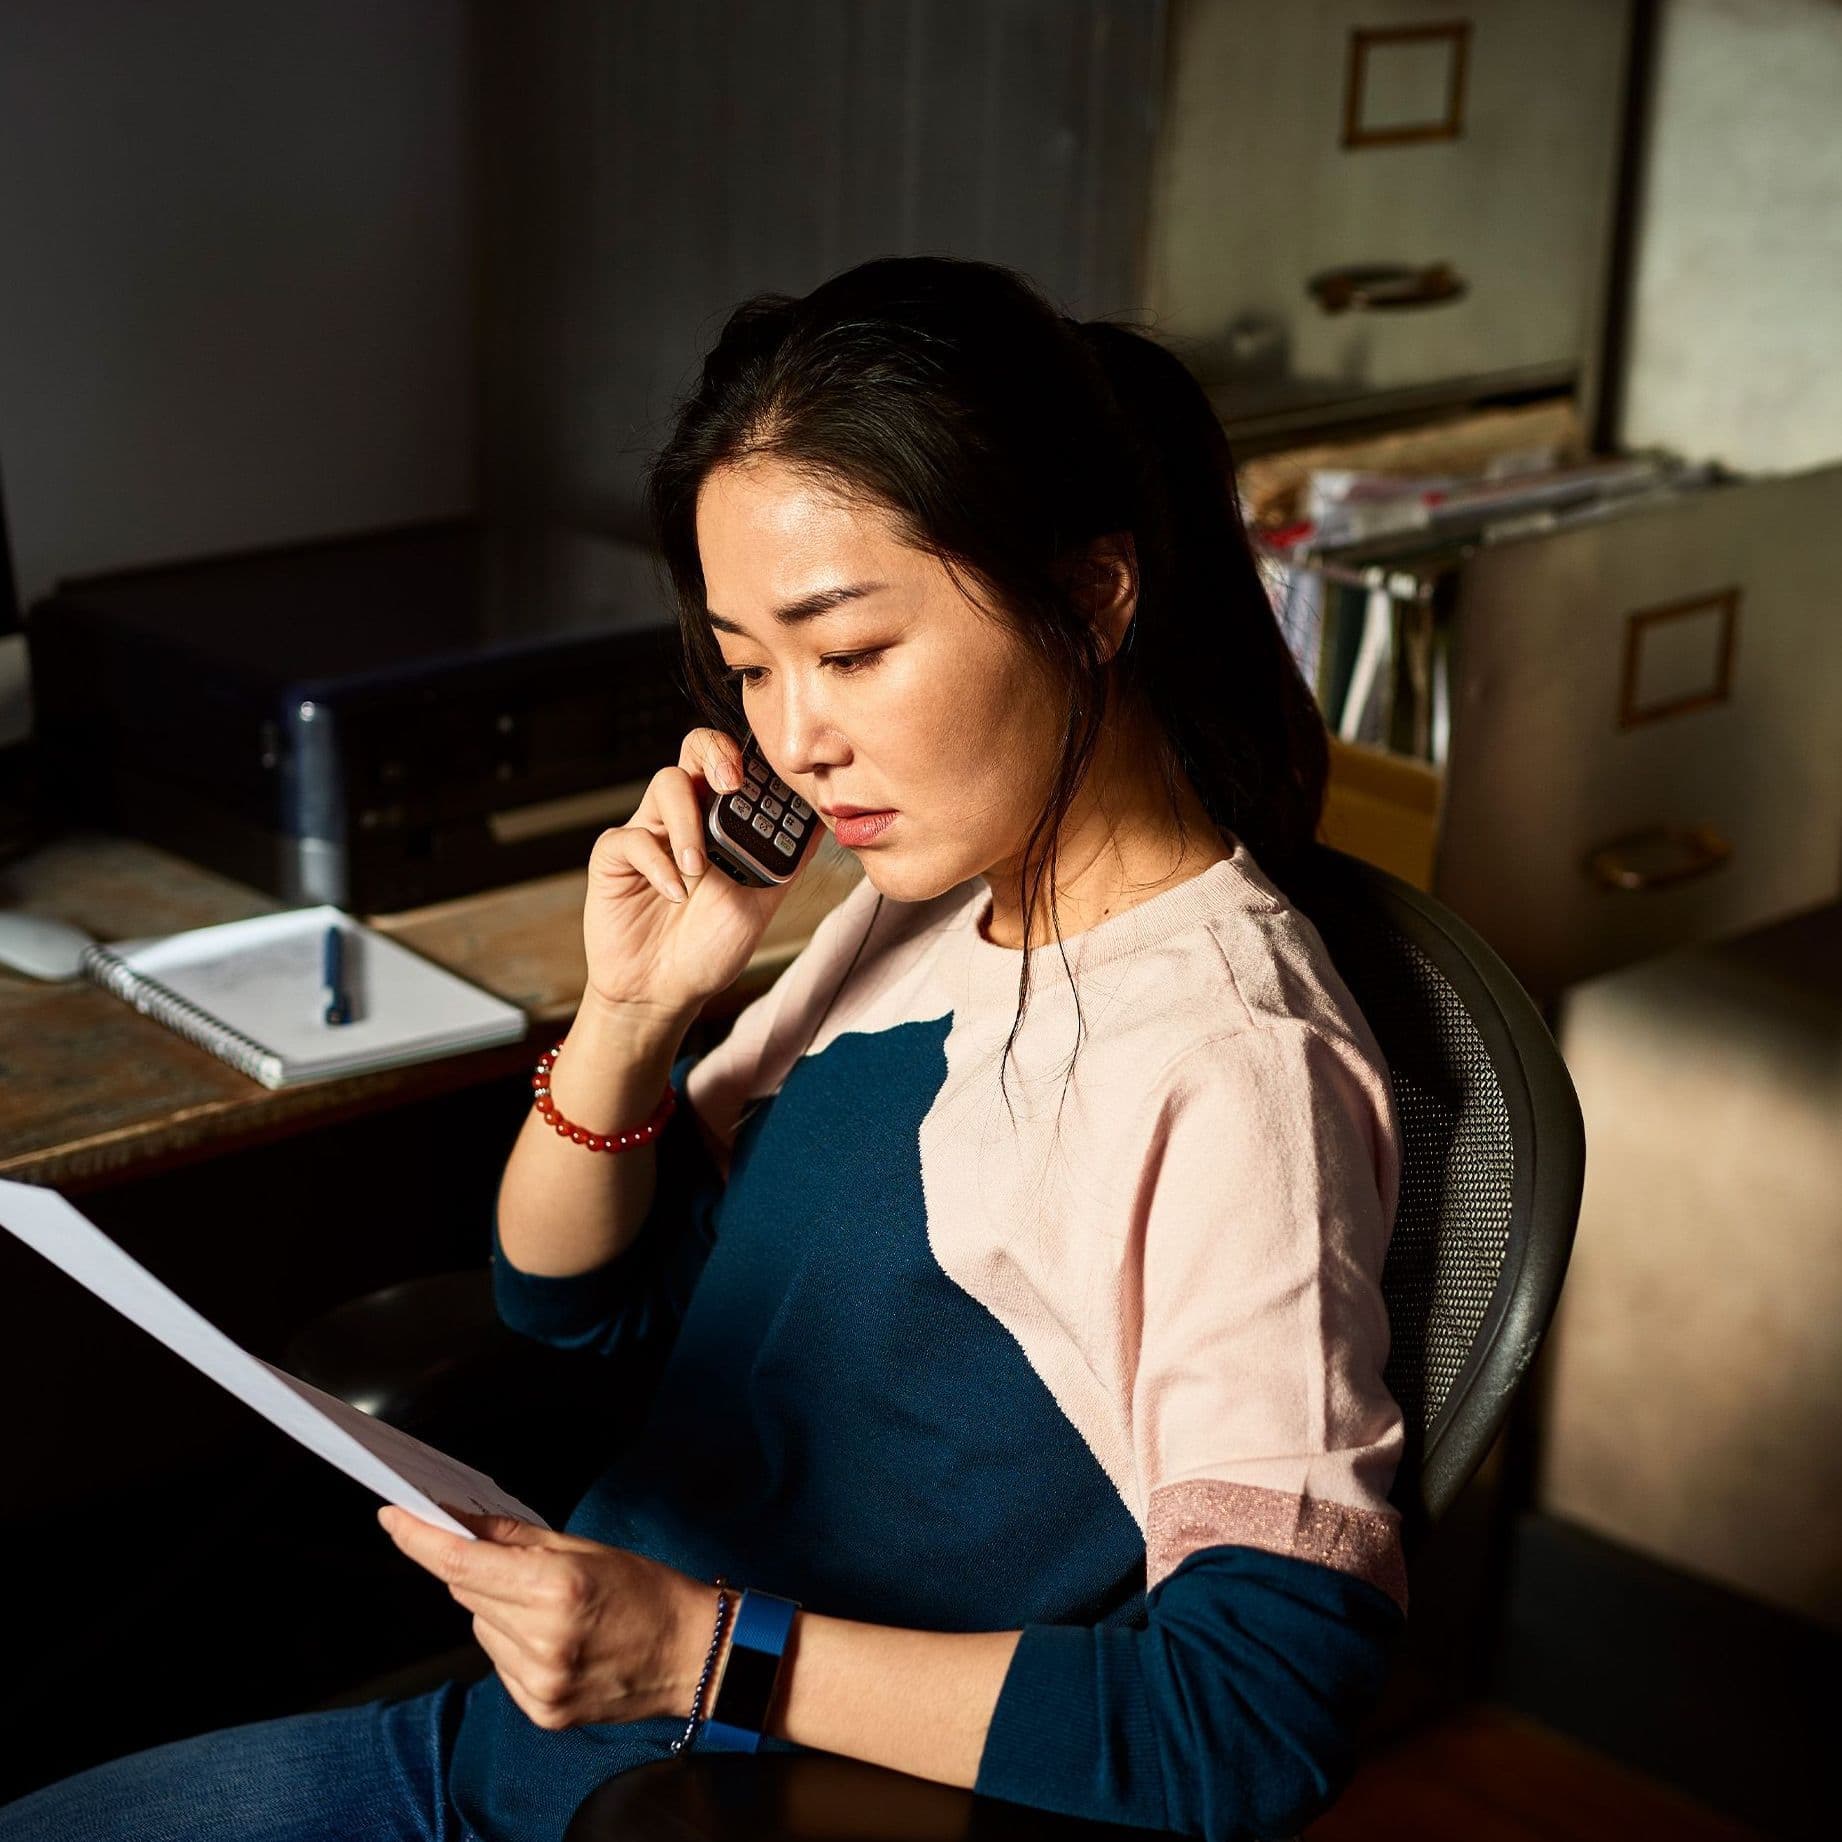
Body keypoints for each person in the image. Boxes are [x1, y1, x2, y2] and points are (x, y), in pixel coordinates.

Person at [0, 255, 1407, 1842]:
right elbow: (577, 1307)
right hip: (527, 1746)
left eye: (852, 650)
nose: (797, 735)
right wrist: (630, 1013)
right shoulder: (928, 890)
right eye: (750, 665)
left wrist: (699, 1649)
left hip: (720, 1804)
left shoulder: (1225, 1062)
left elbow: (1253, 1714)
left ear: (1090, 597)